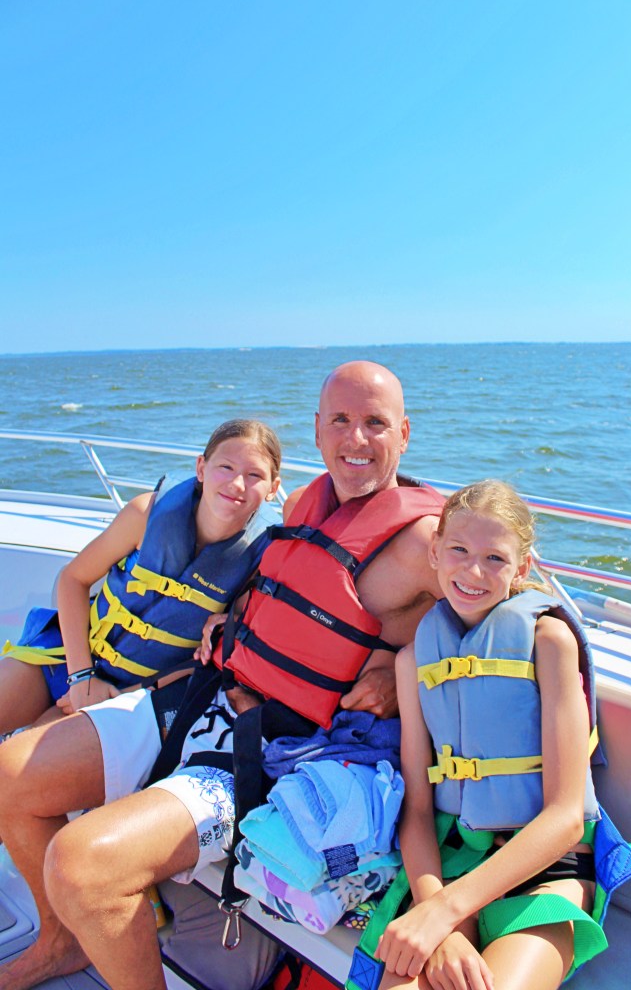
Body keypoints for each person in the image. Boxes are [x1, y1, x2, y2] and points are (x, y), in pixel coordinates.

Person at [0, 361, 445, 990]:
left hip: (270, 754)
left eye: (376, 423)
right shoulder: (304, 504)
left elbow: (513, 623)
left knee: (82, 864)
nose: (356, 439)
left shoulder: (428, 539)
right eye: (341, 420)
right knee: (10, 775)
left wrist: (398, 671)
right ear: (318, 431)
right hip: (199, 696)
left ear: (405, 432)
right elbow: (287, 587)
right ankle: (61, 939)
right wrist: (234, 612)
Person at [374, 479, 603, 990]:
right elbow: (416, 811)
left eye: (495, 558)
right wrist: (438, 912)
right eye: (458, 549)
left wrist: (443, 912)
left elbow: (566, 819)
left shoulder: (549, 640)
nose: (474, 571)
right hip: (455, 862)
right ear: (434, 552)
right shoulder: (414, 660)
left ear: (522, 567)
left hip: (547, 871)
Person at [0, 418, 282, 733]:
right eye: (226, 467)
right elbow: (73, 579)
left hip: (137, 692)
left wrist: (118, 698)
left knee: (21, 762)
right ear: (201, 468)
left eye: (254, 474)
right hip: (67, 653)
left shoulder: (260, 560)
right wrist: (81, 679)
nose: (237, 484)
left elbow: (204, 657)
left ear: (273, 488)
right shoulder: (144, 515)